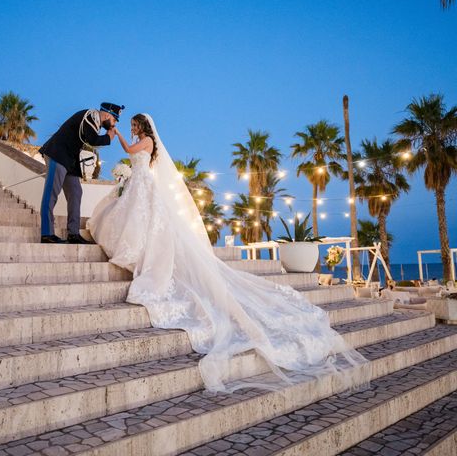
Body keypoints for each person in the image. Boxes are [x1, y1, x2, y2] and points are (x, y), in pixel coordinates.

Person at [87, 114, 368, 393]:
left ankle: (142, 257)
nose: (133, 129)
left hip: (144, 187)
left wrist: (118, 133)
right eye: (132, 127)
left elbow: (128, 151)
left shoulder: (146, 141)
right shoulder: (145, 141)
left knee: (145, 223)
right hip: (139, 186)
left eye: (135, 125)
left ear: (142, 127)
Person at [39, 102, 124, 244]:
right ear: (107, 115)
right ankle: (46, 233)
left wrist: (107, 136)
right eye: (114, 120)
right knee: (51, 193)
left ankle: (73, 233)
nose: (114, 125)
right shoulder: (91, 116)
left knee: (76, 192)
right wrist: (108, 137)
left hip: (70, 160)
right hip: (58, 154)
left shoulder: (95, 120)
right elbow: (92, 140)